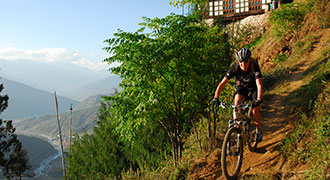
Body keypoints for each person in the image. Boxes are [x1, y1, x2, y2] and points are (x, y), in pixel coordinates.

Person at [213, 48, 264, 142]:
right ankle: (237, 124)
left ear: (249, 60)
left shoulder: (254, 67)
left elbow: (259, 84)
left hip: (254, 88)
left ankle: (258, 131)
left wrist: (259, 99)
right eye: (240, 61)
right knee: (236, 101)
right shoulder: (235, 68)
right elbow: (222, 83)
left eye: (245, 61)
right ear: (238, 61)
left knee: (255, 109)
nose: (243, 64)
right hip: (242, 87)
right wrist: (216, 97)